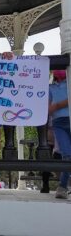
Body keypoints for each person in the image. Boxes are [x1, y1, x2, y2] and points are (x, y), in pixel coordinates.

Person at [48, 70, 70, 199]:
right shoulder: (50, 87)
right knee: (66, 154)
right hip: (59, 122)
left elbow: (53, 106)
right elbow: (48, 108)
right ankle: (62, 186)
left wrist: (56, 106)